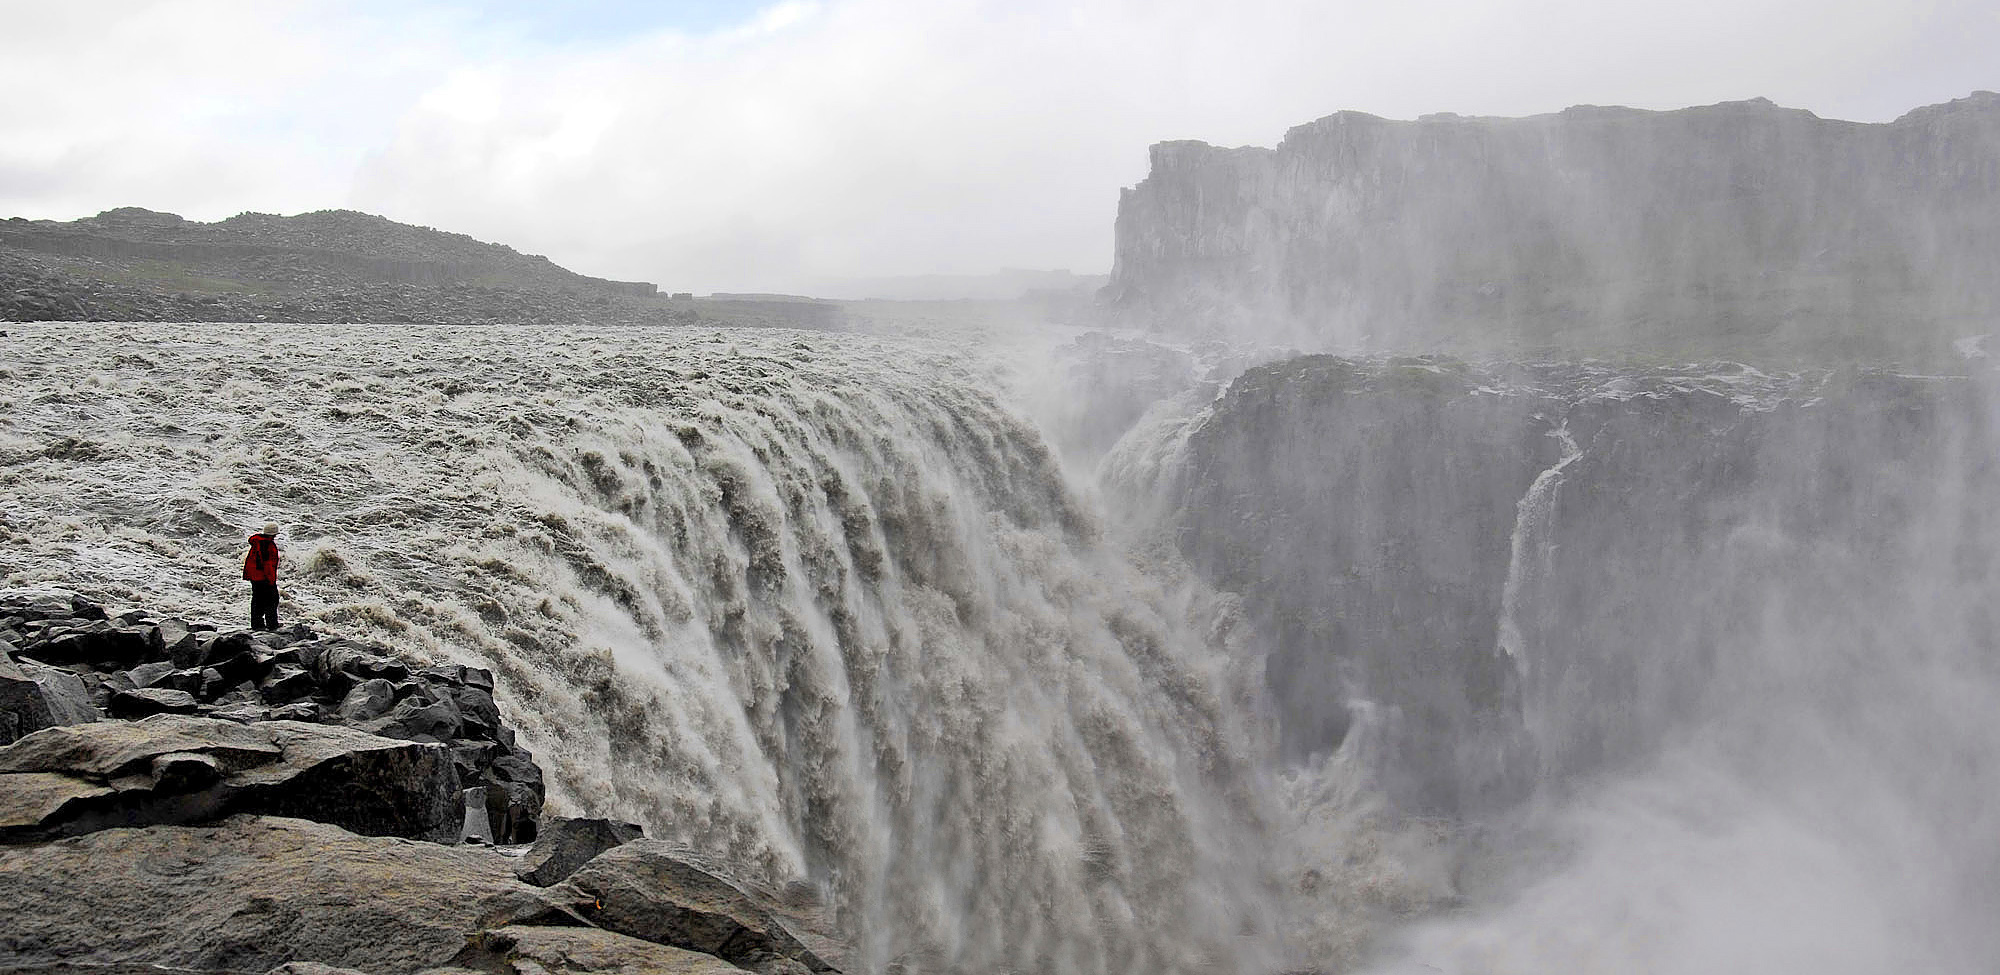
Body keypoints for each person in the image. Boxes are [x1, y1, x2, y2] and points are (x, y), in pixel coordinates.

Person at [243, 523, 281, 631]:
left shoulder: (258, 542)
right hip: (262, 577)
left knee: (257, 601)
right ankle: (272, 625)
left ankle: (257, 625)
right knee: (272, 600)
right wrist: (271, 581)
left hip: (254, 576)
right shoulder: (266, 545)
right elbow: (267, 564)